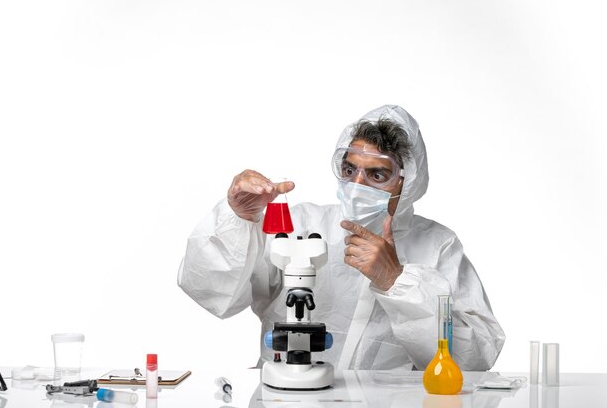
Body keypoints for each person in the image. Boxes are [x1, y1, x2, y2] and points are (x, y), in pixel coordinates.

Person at [178, 105, 505, 371]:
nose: (357, 185)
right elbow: (211, 292)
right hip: (287, 396)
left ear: (409, 182)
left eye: (377, 175)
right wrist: (239, 219)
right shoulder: (301, 224)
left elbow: (474, 359)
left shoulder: (437, 246)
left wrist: (397, 280)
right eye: (350, 170)